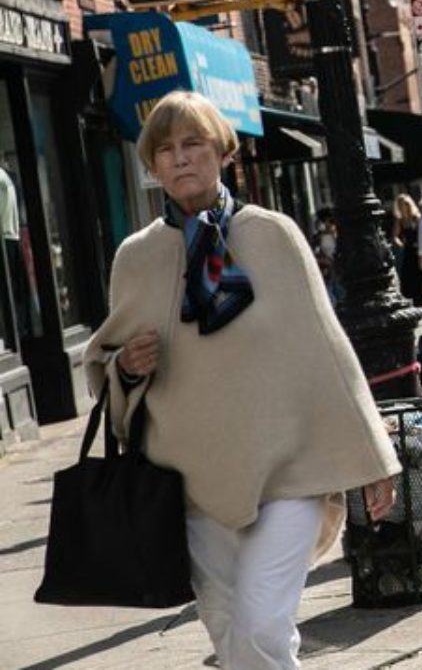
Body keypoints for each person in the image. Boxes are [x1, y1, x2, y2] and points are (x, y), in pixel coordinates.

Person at [82, 91, 400, 669]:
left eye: (194, 144)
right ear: (151, 166)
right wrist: (126, 366)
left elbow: (328, 352)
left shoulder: (273, 236)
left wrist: (374, 458)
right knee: (230, 634)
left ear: (223, 151)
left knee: (258, 626)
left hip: (289, 472)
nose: (180, 159)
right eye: (166, 149)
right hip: (190, 484)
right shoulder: (137, 257)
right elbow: (103, 369)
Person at [392, 193, 422, 307]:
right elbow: (394, 236)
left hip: (420, 250)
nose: (403, 207)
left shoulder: (416, 217)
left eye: (405, 204)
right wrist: (401, 244)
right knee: (409, 278)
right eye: (401, 205)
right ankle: (417, 306)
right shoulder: (400, 220)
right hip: (408, 251)